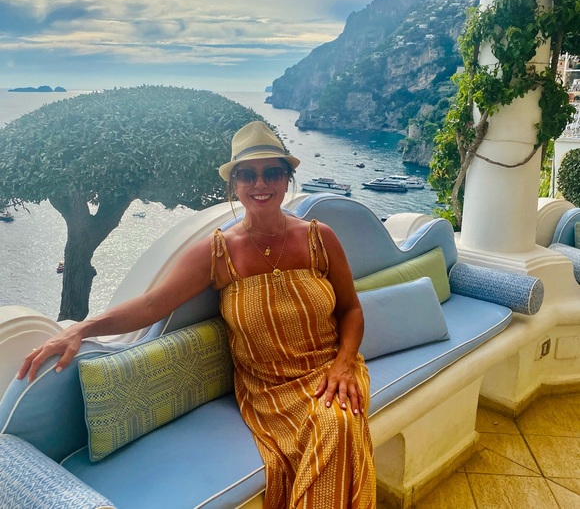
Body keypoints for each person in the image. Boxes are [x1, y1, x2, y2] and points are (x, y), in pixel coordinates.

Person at [18, 120, 376, 508]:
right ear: (234, 184)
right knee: (338, 430)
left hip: (331, 371)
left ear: (287, 179)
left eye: (272, 172)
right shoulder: (218, 252)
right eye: (247, 175)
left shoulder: (319, 237)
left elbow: (351, 310)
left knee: (339, 422)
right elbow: (153, 305)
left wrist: (343, 365)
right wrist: (82, 328)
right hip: (268, 387)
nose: (260, 183)